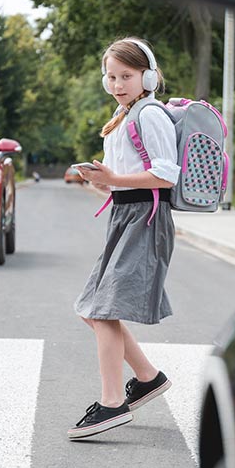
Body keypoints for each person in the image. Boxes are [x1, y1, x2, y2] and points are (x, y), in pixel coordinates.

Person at [68, 38, 177, 439]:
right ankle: (147, 378)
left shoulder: (151, 115)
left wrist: (113, 179)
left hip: (146, 219)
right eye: (111, 76)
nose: (117, 83)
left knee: (101, 310)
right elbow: (122, 182)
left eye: (126, 76)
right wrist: (102, 182)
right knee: (90, 308)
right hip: (124, 215)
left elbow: (167, 174)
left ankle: (113, 404)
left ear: (147, 77)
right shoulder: (123, 115)